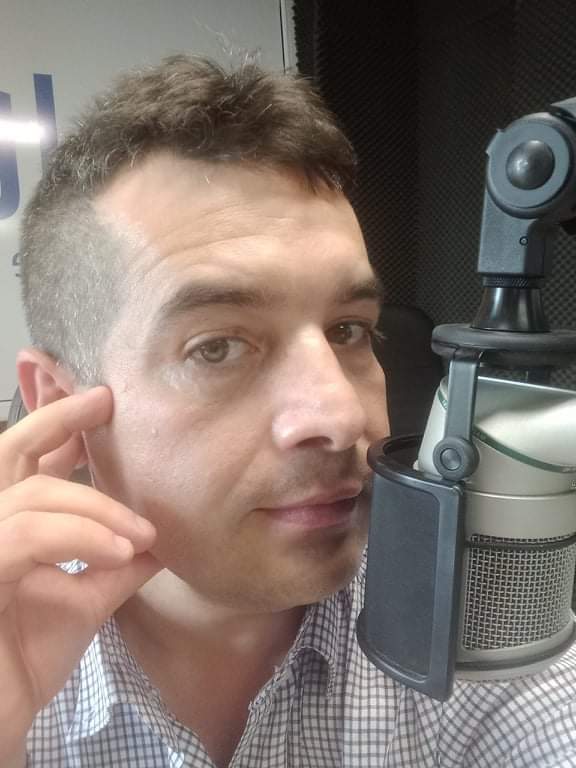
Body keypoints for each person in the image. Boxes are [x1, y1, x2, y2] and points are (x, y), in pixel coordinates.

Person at [1, 55, 575, 768]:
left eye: (349, 330)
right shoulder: (12, 647)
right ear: (62, 405)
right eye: (217, 348)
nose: (341, 414)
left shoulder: (477, 630)